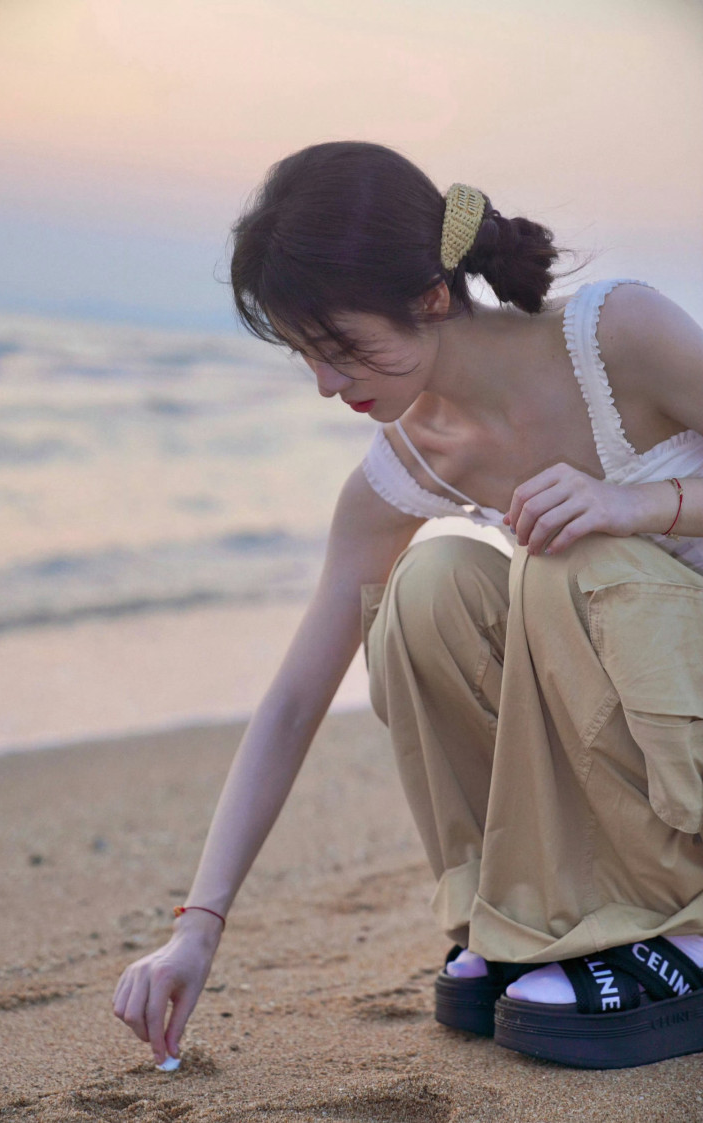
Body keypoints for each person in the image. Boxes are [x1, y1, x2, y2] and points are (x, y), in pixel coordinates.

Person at [113, 140, 703, 1070]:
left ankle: (684, 927)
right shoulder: (408, 462)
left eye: (341, 348)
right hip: (658, 745)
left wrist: (639, 505)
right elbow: (294, 700)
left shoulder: (616, 334)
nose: (327, 384)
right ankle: (525, 913)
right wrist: (198, 925)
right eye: (305, 354)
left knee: (571, 556)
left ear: (430, 296)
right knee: (427, 587)